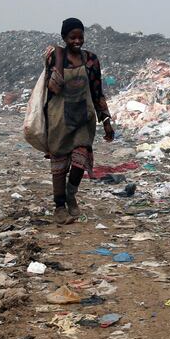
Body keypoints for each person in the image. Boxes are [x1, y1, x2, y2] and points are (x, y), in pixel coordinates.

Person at [44, 18, 114, 224]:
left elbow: (97, 90)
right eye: (72, 37)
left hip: (84, 117)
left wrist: (106, 120)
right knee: (59, 164)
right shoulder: (55, 57)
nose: (77, 41)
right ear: (64, 38)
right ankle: (59, 206)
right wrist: (57, 58)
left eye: (80, 37)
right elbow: (53, 88)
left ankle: (71, 194)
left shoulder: (91, 60)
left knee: (80, 161)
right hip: (59, 118)